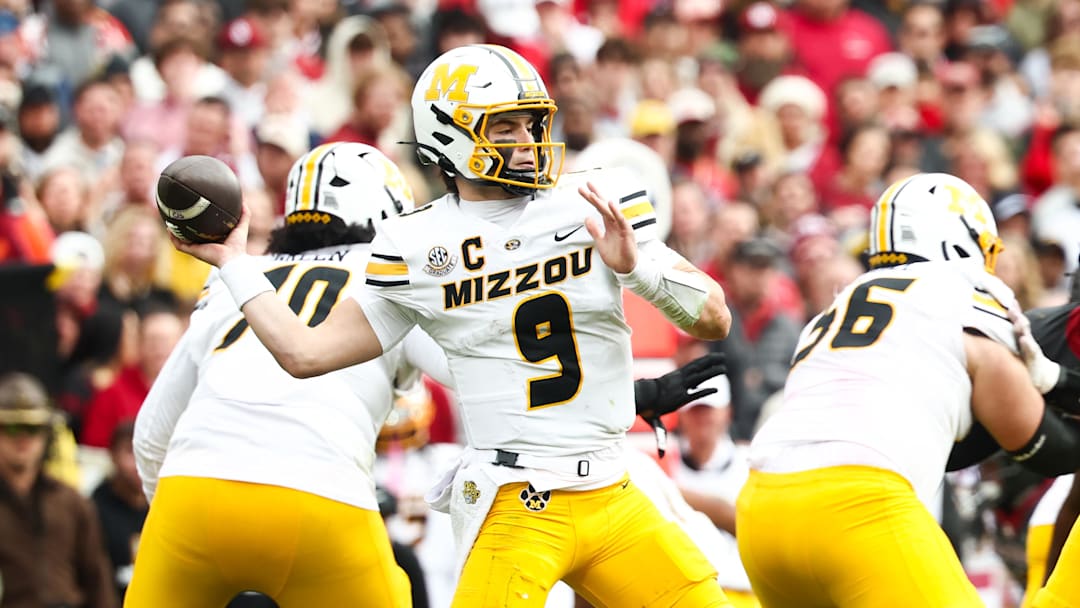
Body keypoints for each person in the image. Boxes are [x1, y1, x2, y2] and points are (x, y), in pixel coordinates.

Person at [171, 44, 734, 607]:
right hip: (518, 498)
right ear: (449, 137)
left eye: (532, 123)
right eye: (504, 126)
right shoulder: (414, 245)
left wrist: (638, 270)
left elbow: (714, 317)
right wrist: (235, 264)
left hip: (613, 489)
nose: (526, 141)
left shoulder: (588, 201)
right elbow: (304, 353)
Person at [735, 172, 1080, 607]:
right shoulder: (965, 293)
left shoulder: (838, 305)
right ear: (960, 241)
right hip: (857, 510)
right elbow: (1047, 448)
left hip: (760, 513)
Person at [127, 143, 428, 607]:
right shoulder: (394, 278)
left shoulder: (236, 276)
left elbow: (150, 435)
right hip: (323, 499)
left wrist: (171, 519)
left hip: (192, 492)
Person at [0, 372, 116, 608]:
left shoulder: (72, 502)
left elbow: (98, 580)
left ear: (46, 435)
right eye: (11, 428)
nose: (23, 438)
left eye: (33, 428)